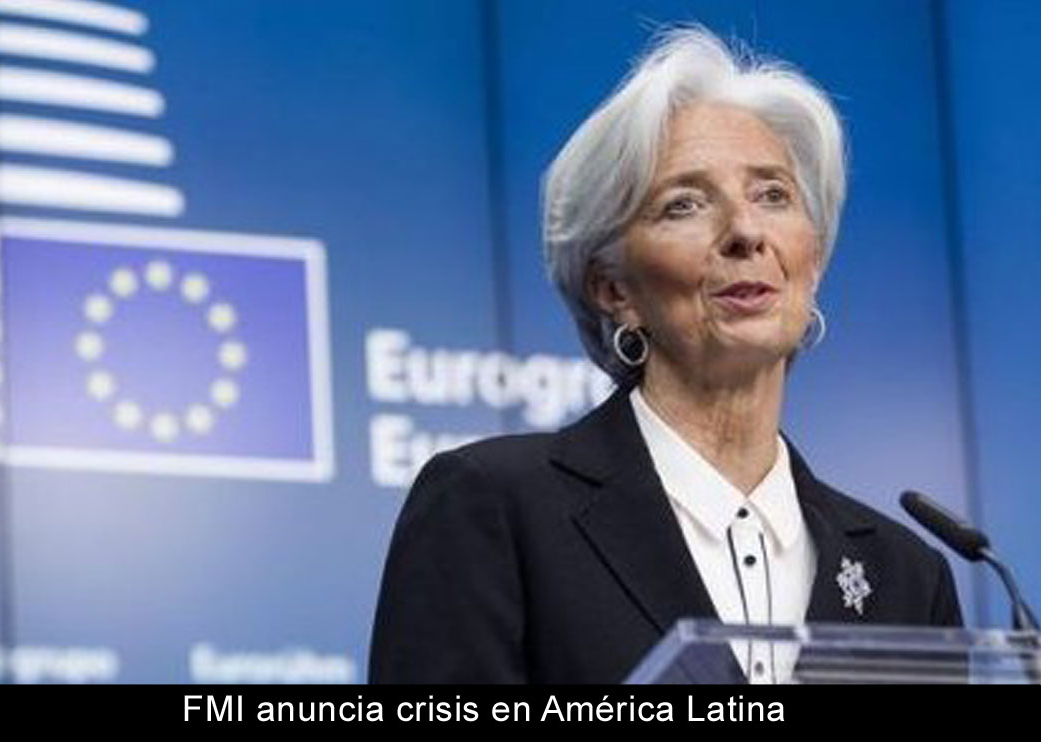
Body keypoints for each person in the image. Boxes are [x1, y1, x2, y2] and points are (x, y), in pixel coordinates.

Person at [369, 26, 962, 684]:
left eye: (772, 195)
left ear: (812, 262)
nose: (745, 231)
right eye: (685, 204)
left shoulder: (910, 577)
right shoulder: (496, 508)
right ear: (613, 288)